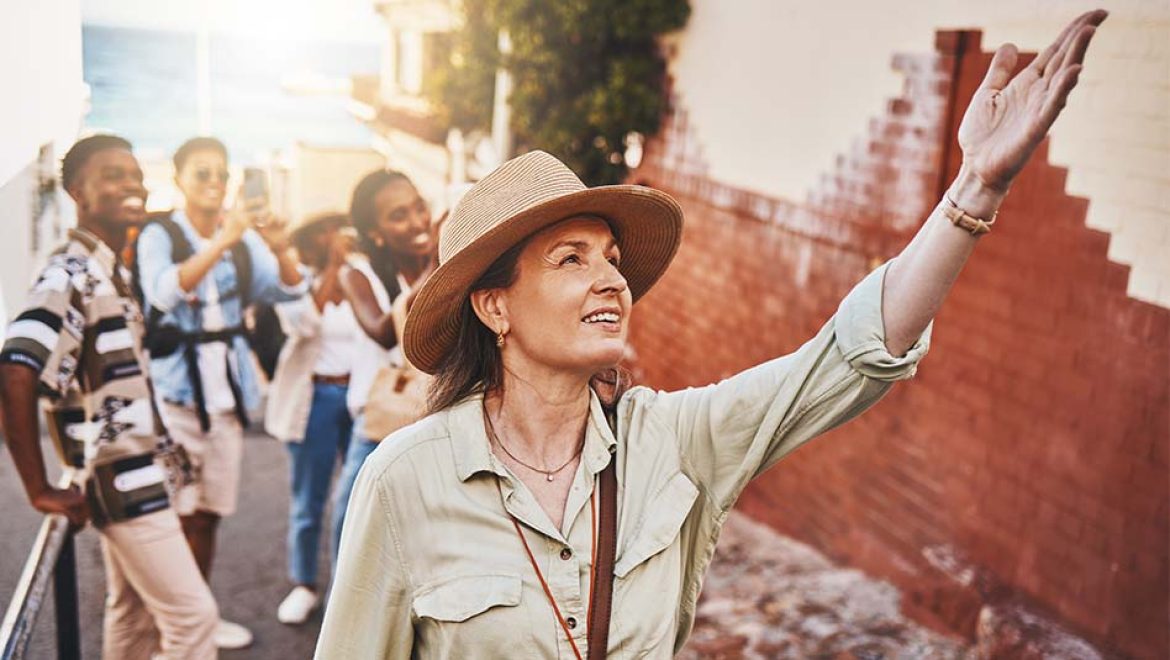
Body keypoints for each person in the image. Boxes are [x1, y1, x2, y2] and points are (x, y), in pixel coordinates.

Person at [315, 11, 1107, 658]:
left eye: (613, 259)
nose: (611, 279)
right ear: (496, 309)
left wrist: (976, 187)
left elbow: (844, 358)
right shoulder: (406, 481)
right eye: (570, 259)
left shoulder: (674, 443)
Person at [0, 134, 219, 659]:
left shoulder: (107, 269)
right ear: (78, 190)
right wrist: (39, 488)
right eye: (114, 176)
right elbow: (14, 368)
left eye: (136, 175)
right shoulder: (70, 271)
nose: (132, 186)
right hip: (123, 483)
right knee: (195, 621)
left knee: (133, 613)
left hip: (136, 475)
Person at [135, 136, 309, 649]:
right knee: (175, 517)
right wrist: (222, 239)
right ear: (179, 179)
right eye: (201, 174)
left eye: (220, 174)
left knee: (208, 513)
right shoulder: (160, 234)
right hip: (177, 397)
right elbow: (163, 292)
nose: (213, 183)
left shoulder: (242, 238)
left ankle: (198, 618)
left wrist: (278, 247)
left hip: (227, 398)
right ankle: (177, 626)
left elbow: (289, 290)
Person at [328, 169, 435, 567]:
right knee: (352, 530)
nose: (417, 222)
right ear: (375, 232)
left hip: (432, 418)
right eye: (398, 215)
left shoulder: (442, 265)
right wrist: (439, 262)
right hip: (379, 424)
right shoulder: (357, 275)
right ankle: (342, 618)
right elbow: (383, 332)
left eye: (418, 207)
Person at [265, 211, 360, 624]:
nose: (331, 235)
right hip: (316, 396)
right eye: (322, 230)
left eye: (334, 228)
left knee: (357, 496)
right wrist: (335, 266)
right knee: (310, 498)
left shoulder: (361, 276)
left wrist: (346, 267)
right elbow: (306, 324)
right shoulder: (294, 279)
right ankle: (304, 583)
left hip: (359, 396)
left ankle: (350, 587)